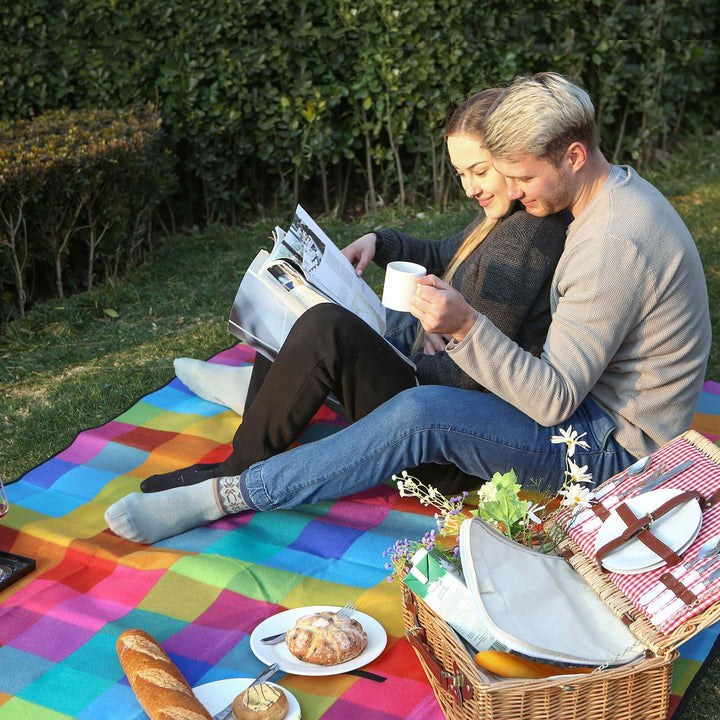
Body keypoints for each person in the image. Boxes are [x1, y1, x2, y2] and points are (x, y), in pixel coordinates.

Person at [104, 88, 571, 543]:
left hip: (440, 444)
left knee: (326, 326)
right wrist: (380, 242)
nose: (469, 187)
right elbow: (450, 252)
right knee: (307, 303)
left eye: (480, 171)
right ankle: (261, 396)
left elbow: (473, 378)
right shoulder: (505, 218)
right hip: (431, 383)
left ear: (513, 156)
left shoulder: (526, 237)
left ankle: (236, 470)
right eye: (460, 172)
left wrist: (405, 350)